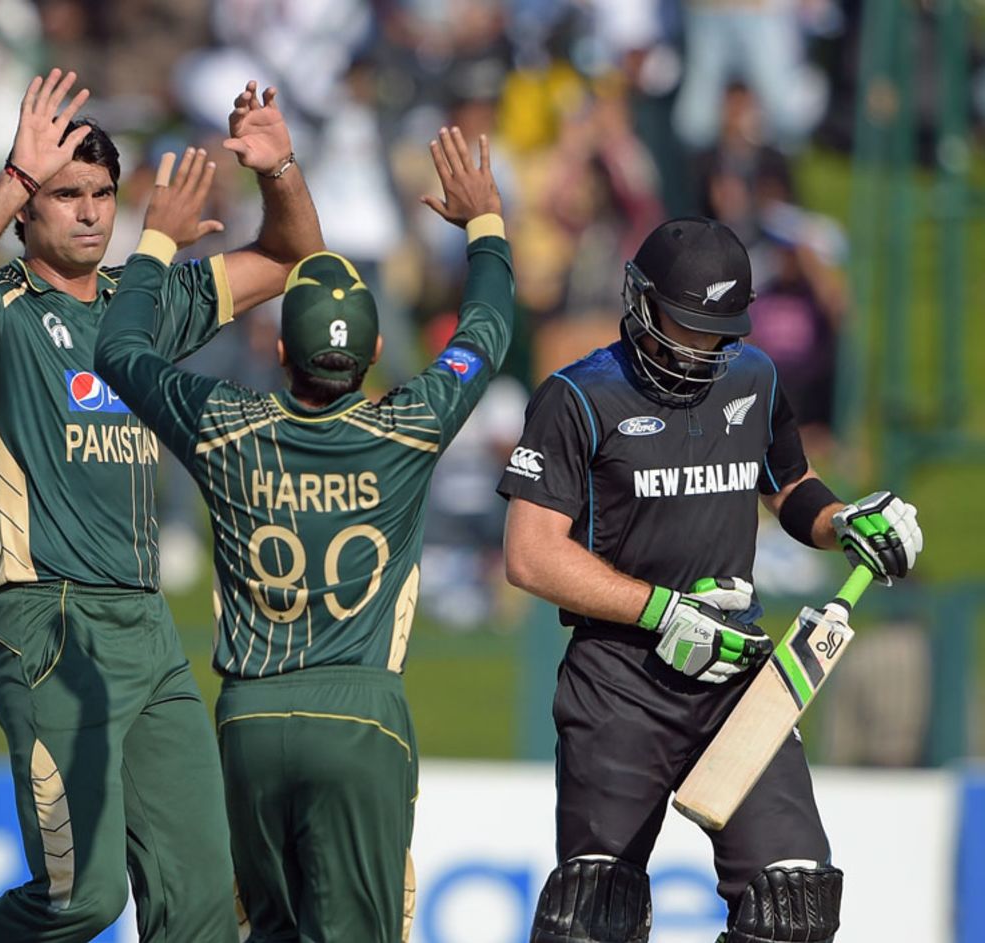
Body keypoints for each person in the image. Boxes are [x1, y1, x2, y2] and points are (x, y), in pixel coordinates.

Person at [0, 68, 322, 942]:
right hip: (46, 621)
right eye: (63, 195)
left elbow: (287, 260)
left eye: (100, 193)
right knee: (82, 900)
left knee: (203, 907)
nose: (88, 211)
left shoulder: (145, 302)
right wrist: (12, 172)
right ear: (25, 213)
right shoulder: (2, 309)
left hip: (147, 628)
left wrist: (278, 169)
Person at [94, 126, 512, 943]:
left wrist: (155, 242)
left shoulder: (224, 424)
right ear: (379, 353)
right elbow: (486, 332)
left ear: (280, 349)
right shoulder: (411, 422)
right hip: (362, 720)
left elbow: (119, 347)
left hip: (249, 721)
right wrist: (485, 222)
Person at [497, 216, 923, 943]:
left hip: (738, 675)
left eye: (717, 333)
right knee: (594, 915)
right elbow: (531, 554)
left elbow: (790, 485)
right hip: (619, 680)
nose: (700, 350)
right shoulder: (576, 397)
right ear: (639, 301)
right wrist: (663, 610)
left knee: (795, 906)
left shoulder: (754, 377)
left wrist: (844, 521)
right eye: (686, 326)